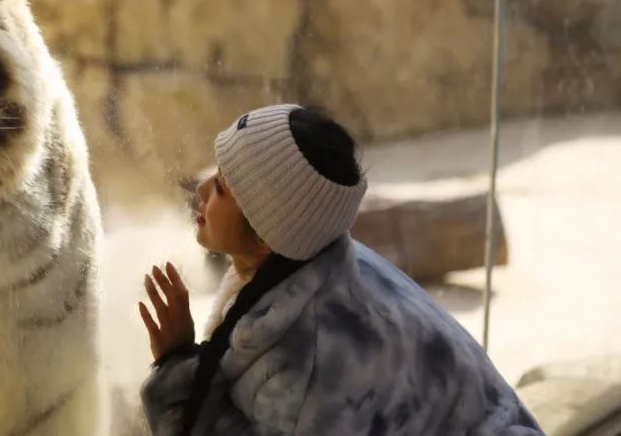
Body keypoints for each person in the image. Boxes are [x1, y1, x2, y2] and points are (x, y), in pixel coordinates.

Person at [137, 104, 543, 435]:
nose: (202, 189)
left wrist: (175, 367)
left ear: (265, 236)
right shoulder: (327, 262)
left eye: (223, 188)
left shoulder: (307, 359)